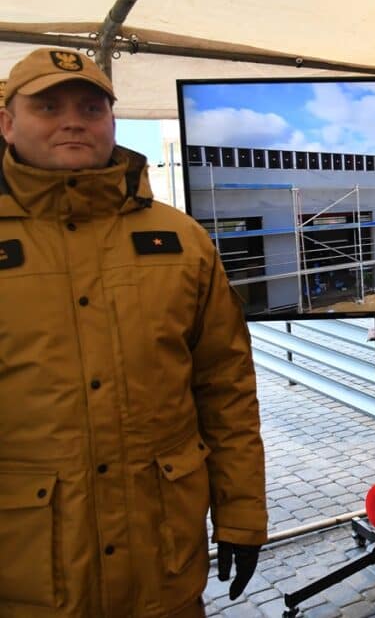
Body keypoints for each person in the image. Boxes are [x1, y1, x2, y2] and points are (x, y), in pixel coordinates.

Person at [0, 47, 267, 617]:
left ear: (111, 121)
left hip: (162, 566)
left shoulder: (183, 242)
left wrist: (241, 514)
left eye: (91, 108)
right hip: (27, 572)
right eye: (48, 106)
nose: (73, 121)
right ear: (7, 123)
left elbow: (226, 390)